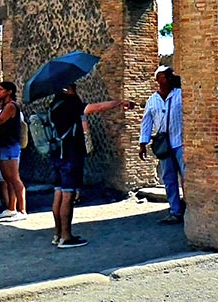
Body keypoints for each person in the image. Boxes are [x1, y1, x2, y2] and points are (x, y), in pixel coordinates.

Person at [49, 83, 134, 248]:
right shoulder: (71, 104)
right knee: (68, 195)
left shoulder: (54, 105)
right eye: (74, 87)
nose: (76, 89)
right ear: (68, 89)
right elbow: (97, 107)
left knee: (58, 194)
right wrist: (119, 102)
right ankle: (66, 237)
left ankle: (58, 234)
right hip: (70, 155)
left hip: (57, 154)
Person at [139, 66, 184, 224]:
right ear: (158, 80)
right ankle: (175, 211)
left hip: (181, 142)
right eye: (165, 76)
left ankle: (191, 210)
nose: (169, 78)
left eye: (170, 76)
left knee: (186, 177)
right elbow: (146, 122)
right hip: (164, 145)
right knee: (169, 178)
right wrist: (142, 143)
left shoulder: (181, 95)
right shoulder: (152, 101)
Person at [0, 80, 27, 222]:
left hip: (10, 145)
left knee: (14, 178)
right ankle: (11, 208)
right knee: (8, 178)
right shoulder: (4, 106)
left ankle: (22, 210)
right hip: (4, 145)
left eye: (1, 90)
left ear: (9, 91)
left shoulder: (11, 106)